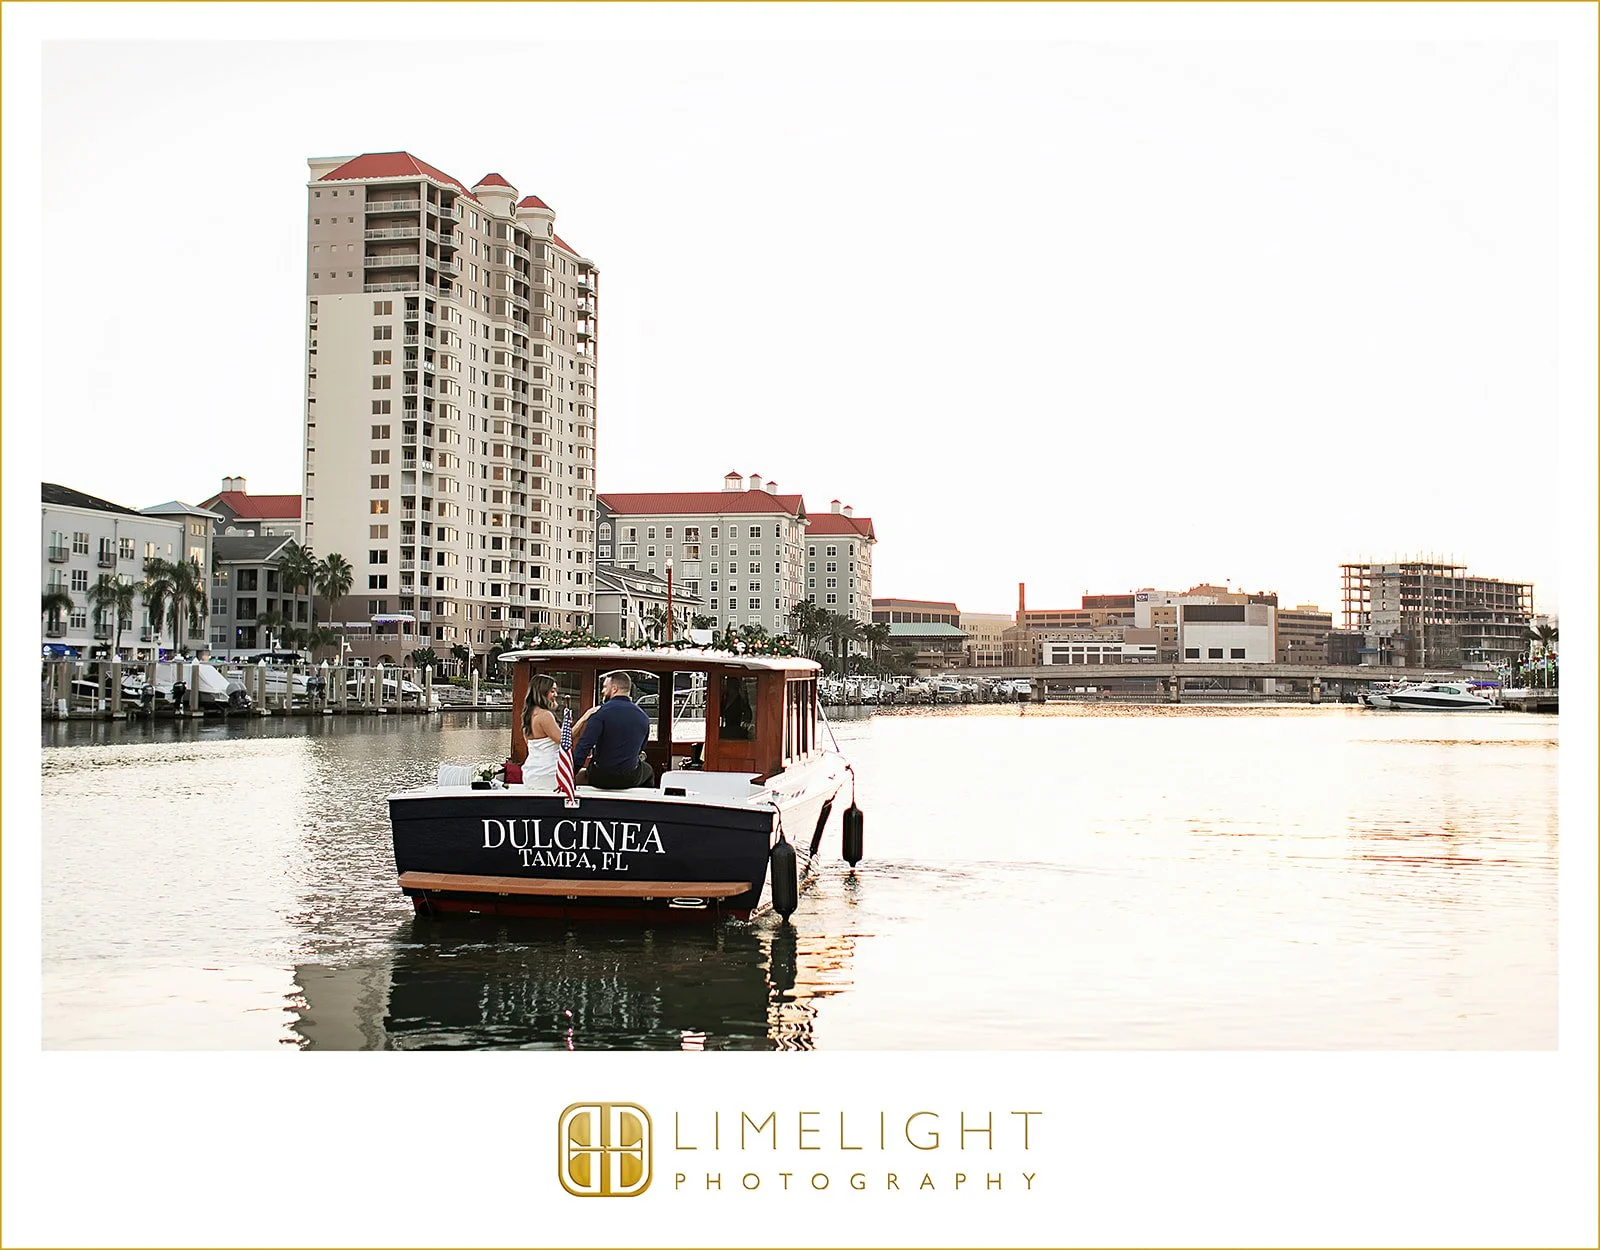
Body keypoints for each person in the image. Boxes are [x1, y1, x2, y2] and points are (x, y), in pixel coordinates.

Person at [572, 671, 653, 789]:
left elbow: (584, 746)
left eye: (605, 687)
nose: (602, 691)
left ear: (614, 689)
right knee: (649, 770)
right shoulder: (643, 717)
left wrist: (572, 772)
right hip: (629, 777)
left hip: (600, 777)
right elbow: (640, 748)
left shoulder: (599, 713)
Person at [519, 674, 564, 789]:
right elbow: (563, 740)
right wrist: (584, 718)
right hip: (548, 773)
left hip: (531, 772)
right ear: (542, 692)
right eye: (552, 691)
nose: (556, 695)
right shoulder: (545, 715)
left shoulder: (528, 716)